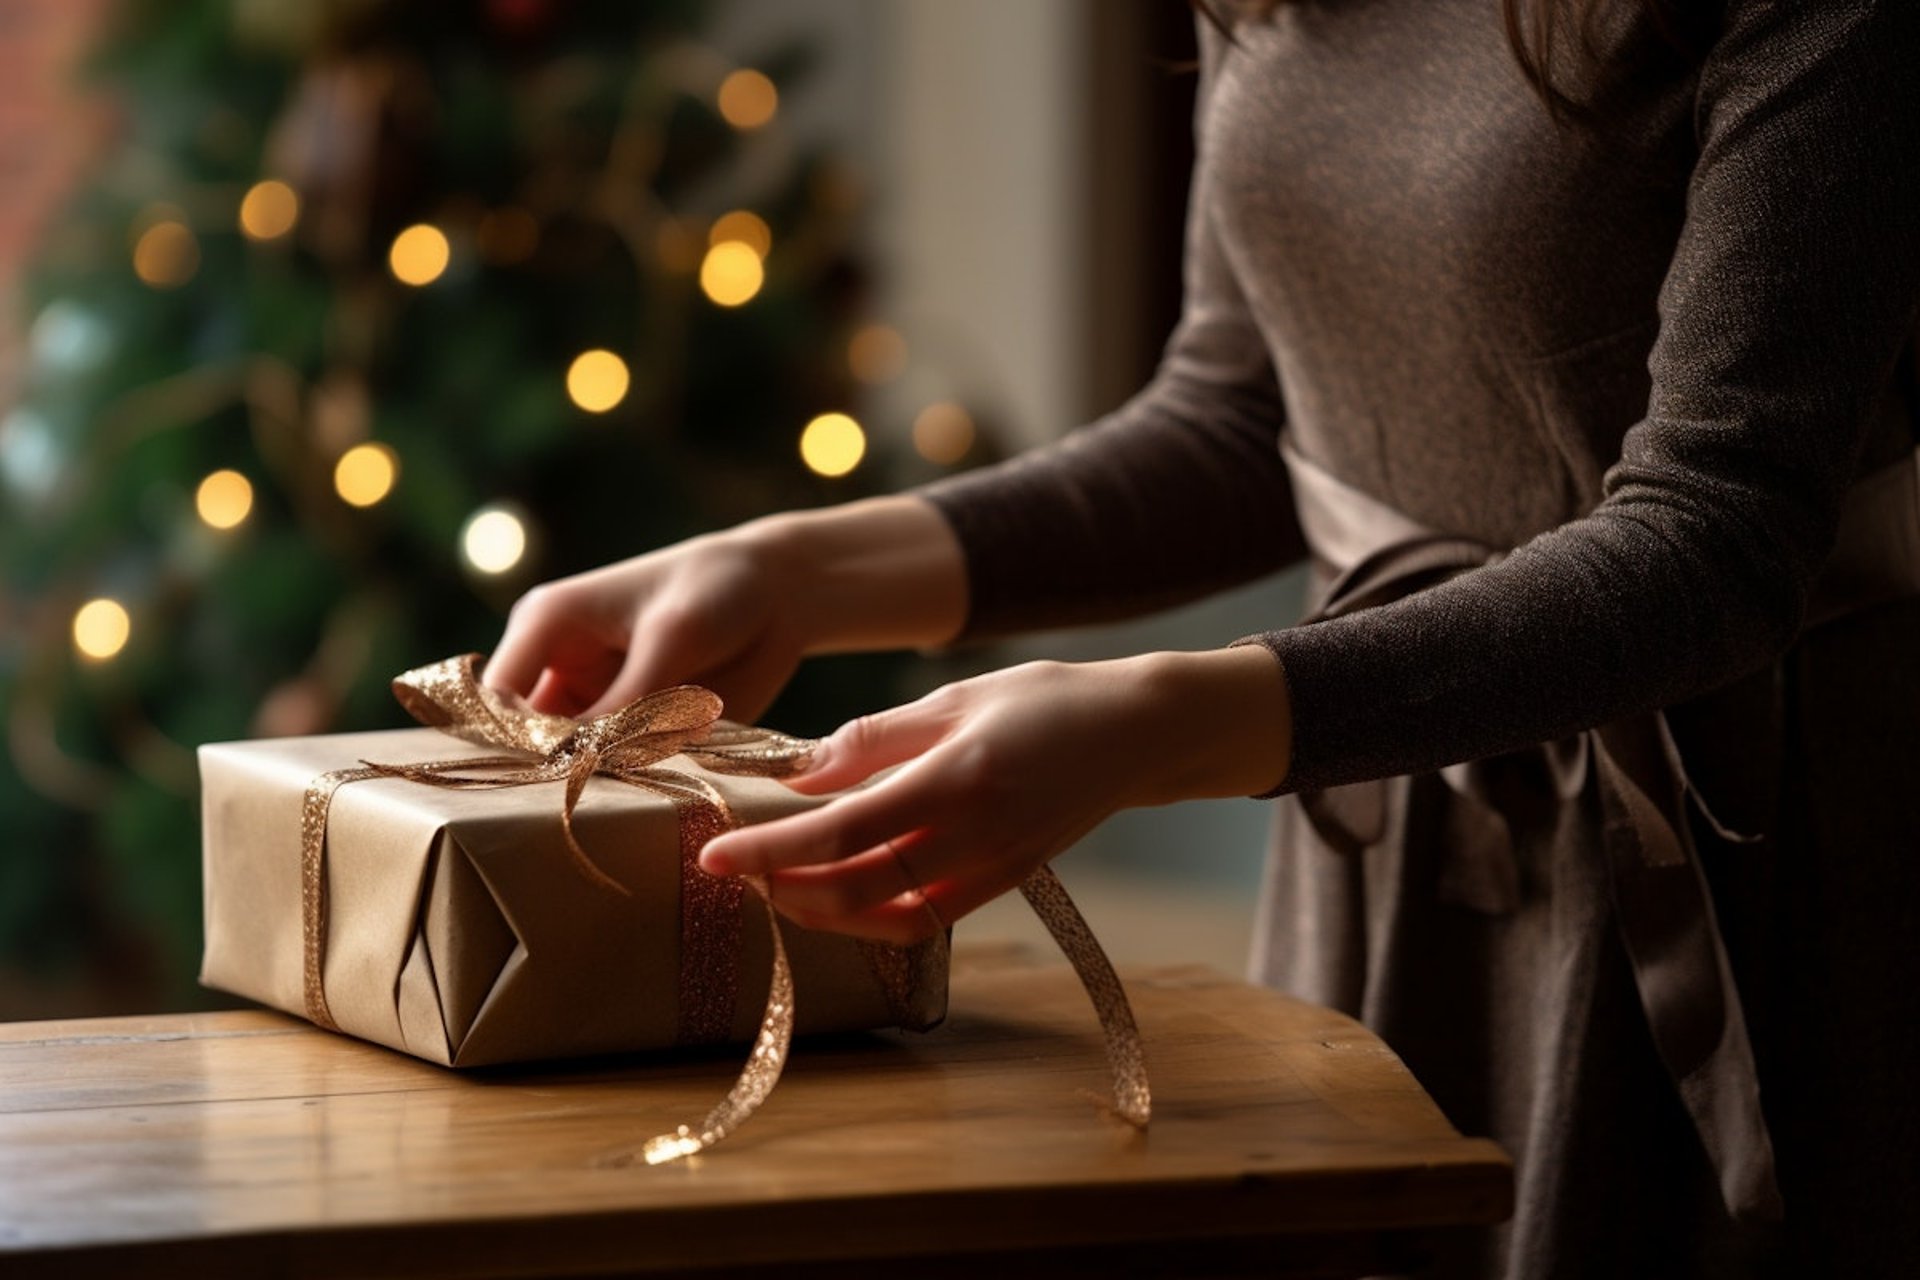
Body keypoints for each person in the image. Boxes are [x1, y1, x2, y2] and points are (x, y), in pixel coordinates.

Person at [488, 2, 1920, 1275]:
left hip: (1753, 860)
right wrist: (800, 568)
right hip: (1388, 831)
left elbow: (1718, 542)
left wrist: (1157, 725)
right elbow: (1241, 419)